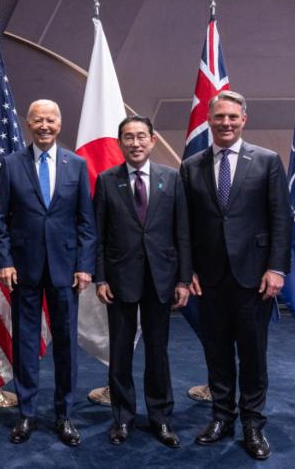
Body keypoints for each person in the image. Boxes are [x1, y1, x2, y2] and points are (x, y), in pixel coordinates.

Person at [180, 91, 292, 460]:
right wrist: (187, 269)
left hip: (254, 277)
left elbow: (281, 219)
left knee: (253, 354)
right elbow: (185, 226)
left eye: (232, 117)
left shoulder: (267, 161)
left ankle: (253, 424)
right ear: (209, 120)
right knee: (217, 353)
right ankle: (222, 417)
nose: (225, 123)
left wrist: (276, 268)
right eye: (219, 117)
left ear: (244, 119)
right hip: (209, 279)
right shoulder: (191, 166)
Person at [0, 99, 95, 447]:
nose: (45, 126)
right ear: (29, 123)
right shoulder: (11, 164)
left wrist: (84, 265)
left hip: (66, 269)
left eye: (51, 120)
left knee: (66, 344)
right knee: (24, 342)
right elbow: (1, 220)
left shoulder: (76, 164)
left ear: (60, 124)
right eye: (38, 120)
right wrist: (5, 260)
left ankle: (64, 414)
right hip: (24, 268)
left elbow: (86, 222)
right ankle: (27, 413)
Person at [93, 116, 191, 448]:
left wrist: (183, 279)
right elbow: (99, 235)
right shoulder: (107, 180)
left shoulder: (172, 178)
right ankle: (122, 417)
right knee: (120, 352)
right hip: (120, 279)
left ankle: (160, 417)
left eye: (141, 136)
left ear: (152, 140)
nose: (135, 143)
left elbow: (182, 233)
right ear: (120, 142)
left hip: (161, 278)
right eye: (128, 137)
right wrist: (100, 278)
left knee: (157, 352)